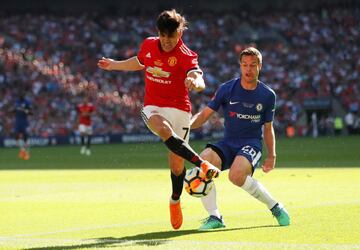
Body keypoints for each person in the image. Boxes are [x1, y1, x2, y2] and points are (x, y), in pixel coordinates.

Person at [97, 9, 220, 230]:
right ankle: (202, 164)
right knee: (163, 129)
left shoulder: (185, 54)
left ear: (179, 33)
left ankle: (174, 200)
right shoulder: (149, 44)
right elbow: (140, 61)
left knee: (175, 165)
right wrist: (114, 64)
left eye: (170, 37)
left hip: (180, 109)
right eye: (162, 35)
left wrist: (196, 82)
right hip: (152, 107)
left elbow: (197, 75)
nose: (165, 41)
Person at [191, 47, 290, 230]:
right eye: (245, 65)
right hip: (228, 142)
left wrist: (272, 155)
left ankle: (275, 207)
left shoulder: (268, 95)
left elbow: (268, 128)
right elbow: (204, 115)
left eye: (253, 65)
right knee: (203, 163)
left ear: (260, 66)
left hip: (251, 143)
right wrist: (186, 126)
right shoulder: (226, 89)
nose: (248, 69)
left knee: (235, 175)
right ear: (240, 65)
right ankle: (215, 218)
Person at [14, 92, 32, 160]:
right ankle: (22, 150)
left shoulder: (27, 102)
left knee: (26, 137)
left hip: (24, 122)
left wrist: (25, 110)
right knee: (16, 136)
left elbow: (30, 112)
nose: (20, 96)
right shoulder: (17, 101)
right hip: (18, 121)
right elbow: (15, 109)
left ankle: (27, 153)